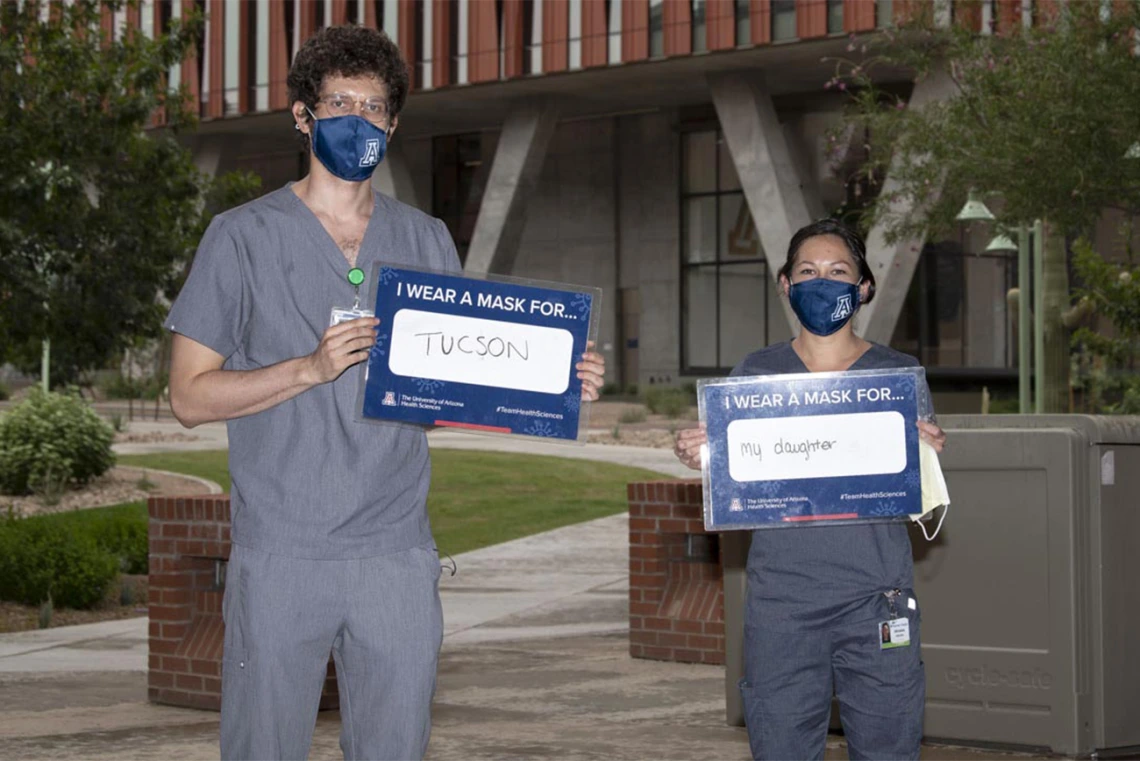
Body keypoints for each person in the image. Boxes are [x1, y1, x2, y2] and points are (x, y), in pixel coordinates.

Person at [165, 26, 605, 761]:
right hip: (282, 554)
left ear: (393, 125)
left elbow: (448, 388)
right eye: (339, 102)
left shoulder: (426, 238)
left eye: (374, 108)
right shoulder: (239, 238)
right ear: (303, 116)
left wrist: (553, 377)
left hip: (395, 555)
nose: (358, 121)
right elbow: (188, 396)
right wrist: (307, 368)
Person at [673, 218, 946, 761]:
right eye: (808, 271)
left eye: (838, 271)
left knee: (890, 747)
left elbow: (919, 496)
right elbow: (739, 475)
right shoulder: (755, 374)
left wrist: (928, 454)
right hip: (783, 605)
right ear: (786, 284)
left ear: (863, 286)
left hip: (876, 600)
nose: (822, 282)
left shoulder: (896, 376)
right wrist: (701, 454)